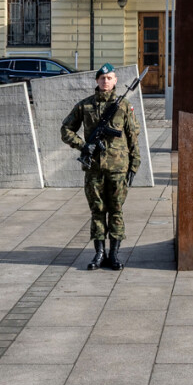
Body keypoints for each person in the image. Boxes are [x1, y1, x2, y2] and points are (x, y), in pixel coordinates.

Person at [60, 63, 141, 270]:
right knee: (97, 210)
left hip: (118, 167)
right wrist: (83, 145)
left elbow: (133, 137)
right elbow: (66, 129)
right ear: (97, 80)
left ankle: (114, 254)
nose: (106, 81)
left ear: (115, 81)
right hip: (94, 167)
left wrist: (134, 165)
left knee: (116, 210)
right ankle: (99, 253)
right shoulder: (85, 106)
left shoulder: (124, 106)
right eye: (102, 78)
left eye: (109, 78)